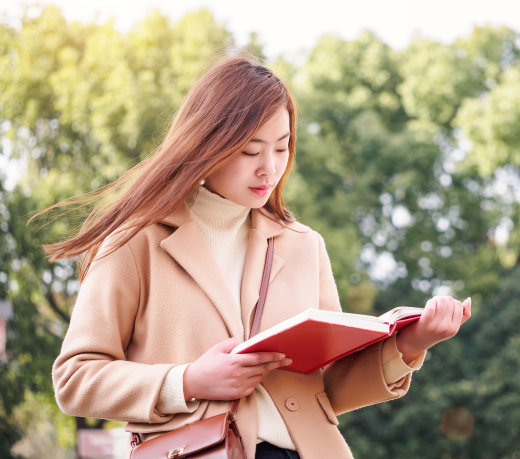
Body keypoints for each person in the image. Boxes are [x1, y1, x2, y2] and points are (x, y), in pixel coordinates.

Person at [44, 55, 471, 459]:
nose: (270, 168)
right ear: (205, 143)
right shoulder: (136, 242)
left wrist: (413, 342)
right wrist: (188, 381)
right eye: (251, 151)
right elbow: (75, 379)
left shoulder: (304, 245)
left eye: (282, 148)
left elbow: (330, 391)